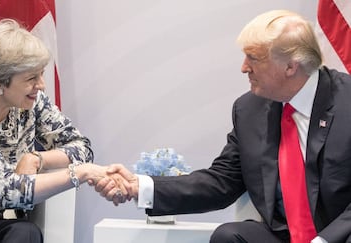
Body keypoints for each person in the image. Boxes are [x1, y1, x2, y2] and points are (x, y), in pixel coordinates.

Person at [97, 10, 351, 243]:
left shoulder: (346, 101)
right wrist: (140, 186)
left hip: (340, 234)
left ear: (290, 66)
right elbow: (222, 182)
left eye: (253, 58)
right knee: (228, 236)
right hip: (286, 235)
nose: (243, 68)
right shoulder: (249, 110)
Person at [0, 19, 124, 243]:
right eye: (31, 78)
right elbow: (5, 191)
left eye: (41, 74)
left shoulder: (31, 101)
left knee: (25, 231)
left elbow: (81, 147)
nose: (42, 85)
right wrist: (81, 173)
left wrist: (37, 158)